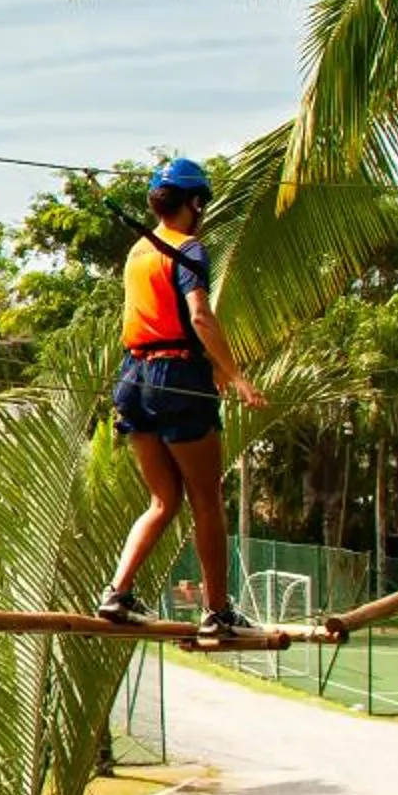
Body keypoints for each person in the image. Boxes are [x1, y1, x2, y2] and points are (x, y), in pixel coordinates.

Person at [95, 157, 268, 639]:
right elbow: (199, 316)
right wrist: (235, 376)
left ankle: (117, 592)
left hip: (134, 377)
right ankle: (217, 611)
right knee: (207, 502)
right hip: (176, 375)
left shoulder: (137, 252)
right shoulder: (188, 248)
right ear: (194, 203)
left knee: (162, 500)